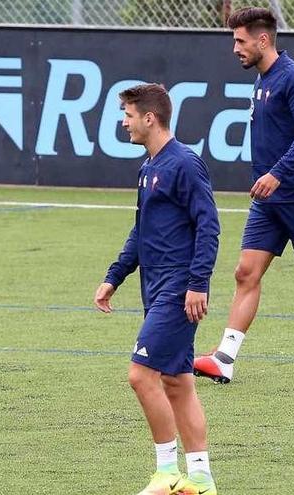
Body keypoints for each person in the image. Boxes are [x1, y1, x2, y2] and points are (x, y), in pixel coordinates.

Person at [193, 7, 294, 385]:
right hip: (268, 201)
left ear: (262, 39)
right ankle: (224, 358)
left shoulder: (293, 78)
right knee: (245, 272)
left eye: (240, 41)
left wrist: (276, 175)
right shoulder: (263, 80)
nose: (235, 48)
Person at [94, 84, 219, 495]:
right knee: (178, 382)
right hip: (156, 288)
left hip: (177, 289)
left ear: (150, 118)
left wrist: (197, 283)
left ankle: (167, 472)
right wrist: (115, 276)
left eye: (128, 114)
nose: (123, 121)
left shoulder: (184, 163)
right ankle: (200, 478)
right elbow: (141, 229)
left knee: (140, 375)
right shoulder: (148, 167)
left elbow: (208, 225)